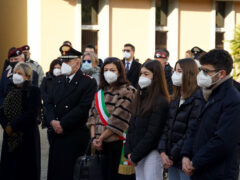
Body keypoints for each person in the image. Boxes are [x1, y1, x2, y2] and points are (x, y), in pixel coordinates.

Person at [181, 49, 240, 180]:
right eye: (201, 70)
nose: (201, 74)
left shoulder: (233, 100)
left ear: (221, 74)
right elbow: (194, 128)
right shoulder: (207, 93)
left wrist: (195, 161)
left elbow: (223, 141)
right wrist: (186, 155)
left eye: (206, 71)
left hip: (219, 173)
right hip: (200, 170)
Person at [46, 45, 97, 180]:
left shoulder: (87, 82)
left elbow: (83, 108)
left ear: (77, 63)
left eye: (67, 62)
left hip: (73, 135)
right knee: (56, 172)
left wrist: (62, 124)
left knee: (71, 173)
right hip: (57, 135)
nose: (64, 65)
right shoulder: (58, 80)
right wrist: (52, 121)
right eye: (62, 61)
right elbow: (48, 103)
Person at [87, 57, 136, 180]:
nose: (108, 72)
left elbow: (118, 120)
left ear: (119, 72)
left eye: (112, 70)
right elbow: (92, 116)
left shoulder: (128, 91)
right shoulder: (100, 92)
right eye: (106, 70)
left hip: (117, 144)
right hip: (99, 145)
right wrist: (94, 138)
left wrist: (101, 138)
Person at [158, 58, 203, 180]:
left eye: (179, 71)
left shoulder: (197, 99)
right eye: (174, 71)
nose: (175, 75)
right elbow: (166, 127)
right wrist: (162, 152)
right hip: (169, 159)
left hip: (184, 159)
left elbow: (190, 132)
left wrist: (172, 155)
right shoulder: (175, 98)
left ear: (189, 74)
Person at [125, 60, 170, 180]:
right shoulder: (140, 97)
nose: (142, 77)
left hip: (151, 153)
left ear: (155, 77)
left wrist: (135, 155)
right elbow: (132, 126)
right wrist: (129, 152)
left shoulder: (160, 101)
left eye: (146, 74)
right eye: (141, 74)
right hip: (137, 152)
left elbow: (153, 133)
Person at [0, 62, 41, 180]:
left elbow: (31, 114)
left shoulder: (33, 91)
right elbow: (2, 111)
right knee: (9, 171)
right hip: (10, 137)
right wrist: (7, 127)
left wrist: (13, 126)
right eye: (15, 73)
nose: (16, 75)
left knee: (25, 171)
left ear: (27, 76)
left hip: (26, 137)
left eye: (20, 73)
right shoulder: (10, 89)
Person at [40, 59, 62, 128]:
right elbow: (42, 92)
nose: (56, 69)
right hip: (48, 108)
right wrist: (48, 100)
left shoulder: (65, 79)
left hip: (60, 108)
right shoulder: (46, 79)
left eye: (58, 68)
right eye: (55, 68)